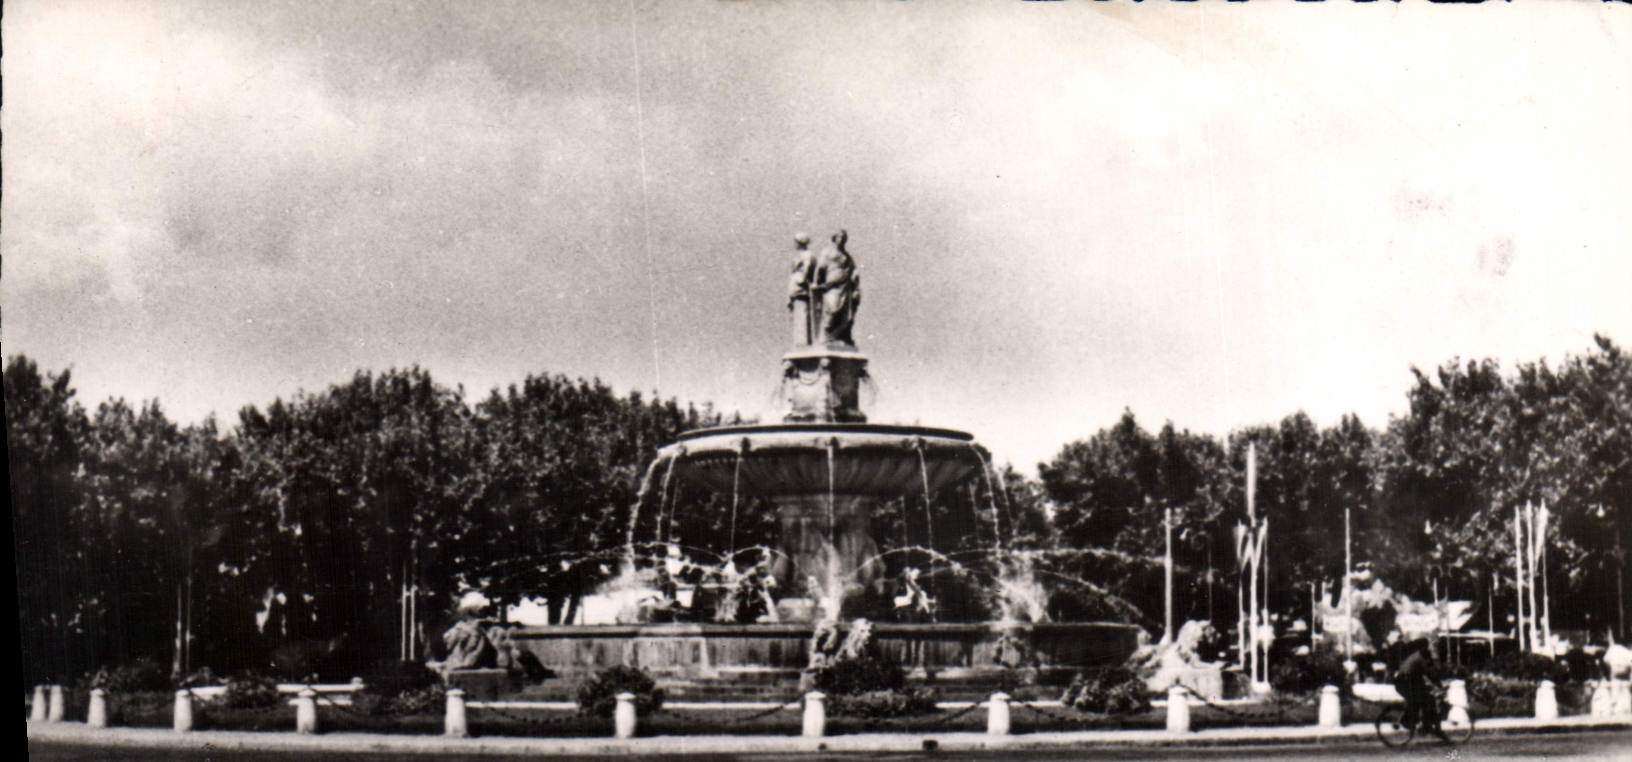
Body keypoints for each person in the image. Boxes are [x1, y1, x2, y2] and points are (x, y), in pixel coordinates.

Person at [1394, 638, 1448, 742]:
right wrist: (1439, 685)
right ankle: (1421, 725)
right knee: (1423, 700)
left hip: (1406, 681)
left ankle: (1425, 725)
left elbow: (1424, 674)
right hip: (1405, 681)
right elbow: (1429, 673)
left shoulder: (1417, 655)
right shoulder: (1421, 657)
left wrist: (1435, 684)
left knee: (1426, 699)